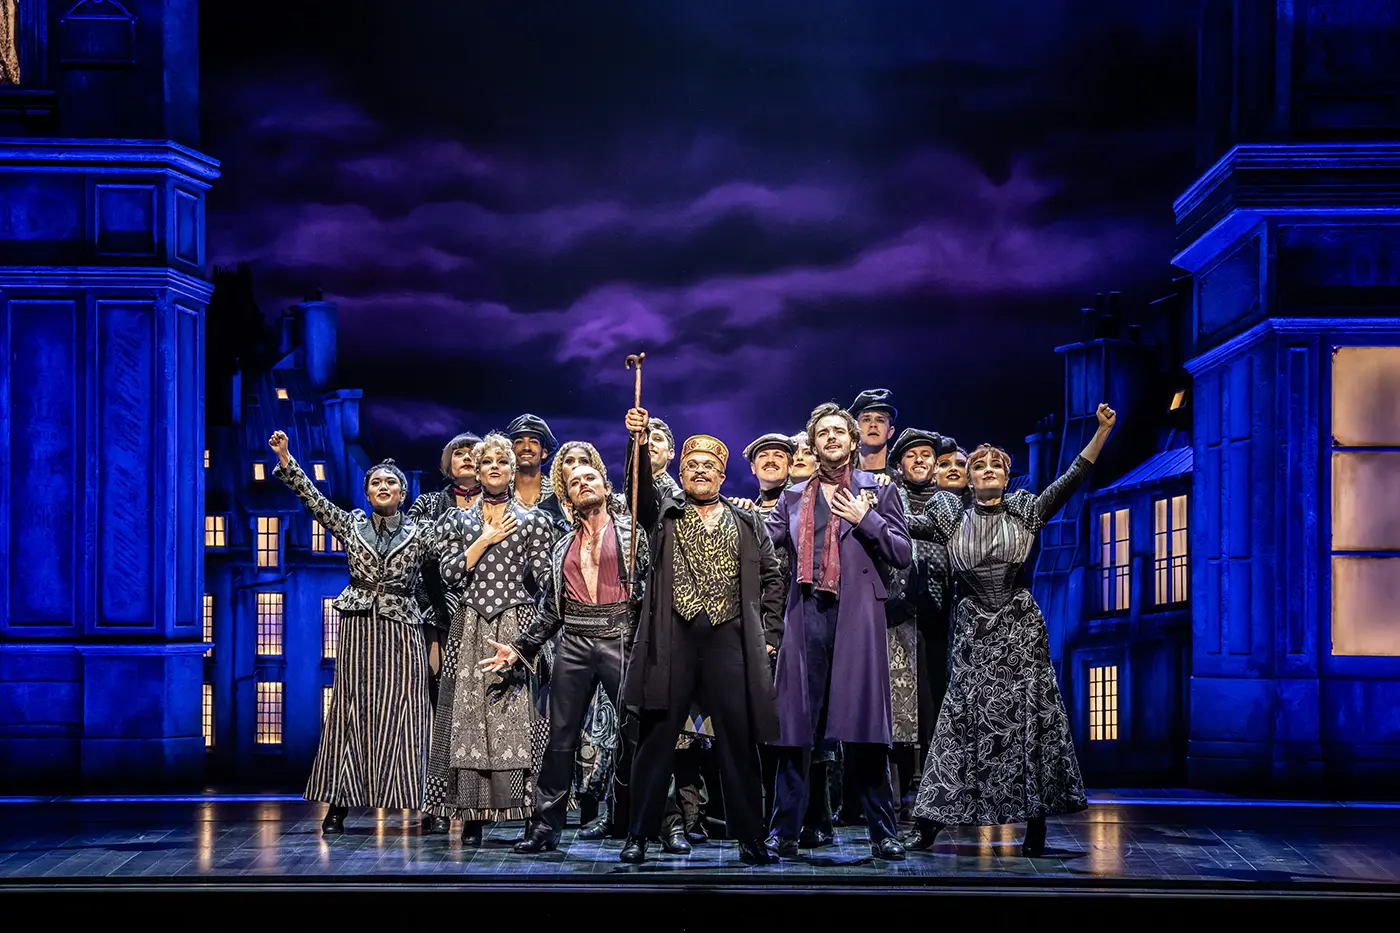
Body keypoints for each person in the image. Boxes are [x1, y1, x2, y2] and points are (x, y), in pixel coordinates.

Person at [907, 403, 1117, 857]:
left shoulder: (1025, 510)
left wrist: (1101, 432)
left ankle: (1035, 826)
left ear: (1006, 475)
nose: (985, 471)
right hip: (972, 629)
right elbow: (901, 525)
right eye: (977, 465)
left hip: (1018, 627)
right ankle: (929, 824)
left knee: (1028, 721)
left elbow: (1072, 478)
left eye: (994, 466)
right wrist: (864, 501)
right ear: (969, 476)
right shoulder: (950, 517)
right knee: (960, 722)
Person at [619, 407, 783, 865]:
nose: (698, 471)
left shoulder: (747, 522)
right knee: (656, 738)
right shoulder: (664, 514)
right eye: (690, 464)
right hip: (675, 637)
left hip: (729, 638)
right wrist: (635, 443)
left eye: (707, 465)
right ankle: (639, 835)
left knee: (738, 737)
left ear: (723, 474)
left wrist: (769, 633)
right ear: (680, 471)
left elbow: (773, 577)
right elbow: (640, 490)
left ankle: (751, 837)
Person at [268, 431, 437, 835]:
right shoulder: (351, 525)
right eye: (376, 482)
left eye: (390, 483)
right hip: (359, 627)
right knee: (351, 710)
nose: (383, 487)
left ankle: (427, 805)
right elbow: (313, 501)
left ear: (403, 493)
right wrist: (287, 458)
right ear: (367, 492)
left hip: (402, 628)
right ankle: (339, 803)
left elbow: (451, 563)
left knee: (409, 713)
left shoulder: (421, 533)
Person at [765, 402, 913, 861]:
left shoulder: (877, 491)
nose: (831, 438)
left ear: (852, 442)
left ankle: (882, 832)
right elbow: (759, 547)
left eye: (839, 432)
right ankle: (783, 831)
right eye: (822, 432)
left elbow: (903, 553)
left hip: (857, 618)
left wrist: (864, 518)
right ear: (812, 444)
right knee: (796, 730)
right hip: (805, 613)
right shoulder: (792, 498)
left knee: (866, 729)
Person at [479, 461, 647, 853]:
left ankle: (633, 825)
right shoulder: (561, 547)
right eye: (575, 481)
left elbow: (647, 595)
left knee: (633, 734)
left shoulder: (631, 533)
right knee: (559, 740)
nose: (583, 483)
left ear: (606, 487)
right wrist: (522, 646)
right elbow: (553, 610)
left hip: (620, 636)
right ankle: (544, 827)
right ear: (567, 497)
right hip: (575, 641)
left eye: (590, 478)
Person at [422, 433, 556, 844]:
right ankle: (472, 814)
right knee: (468, 719)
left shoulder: (534, 519)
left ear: (513, 469)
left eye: (502, 460)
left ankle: (535, 815)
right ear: (478, 471)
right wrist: (483, 539)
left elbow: (546, 580)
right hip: (470, 623)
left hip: (514, 625)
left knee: (523, 717)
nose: (495, 466)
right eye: (487, 462)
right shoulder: (458, 521)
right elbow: (447, 574)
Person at [849, 388, 898, 477]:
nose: (873, 425)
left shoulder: (903, 478)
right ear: (855, 429)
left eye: (880, 420)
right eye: (866, 419)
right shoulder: (842, 474)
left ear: (890, 432)